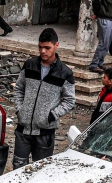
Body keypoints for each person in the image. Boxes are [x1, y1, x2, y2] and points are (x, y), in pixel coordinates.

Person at [12, 28, 76, 169]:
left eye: (47, 48)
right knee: (18, 167)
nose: (42, 51)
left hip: (45, 132)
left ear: (56, 45)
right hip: (23, 129)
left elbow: (69, 100)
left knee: (40, 169)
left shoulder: (65, 73)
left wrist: (51, 115)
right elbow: (19, 89)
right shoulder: (29, 65)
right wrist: (20, 109)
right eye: (40, 47)